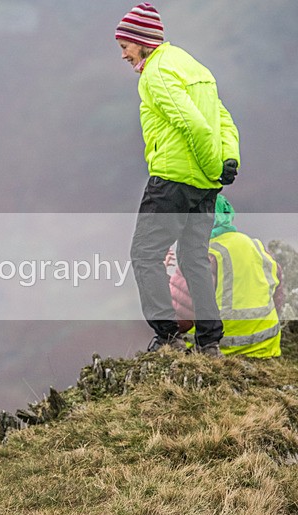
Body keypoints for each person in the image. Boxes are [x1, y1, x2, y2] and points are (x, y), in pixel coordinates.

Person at [116, 3, 240, 357]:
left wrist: (210, 166)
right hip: (204, 186)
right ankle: (209, 341)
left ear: (141, 41)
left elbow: (195, 125)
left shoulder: (156, 74)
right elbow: (223, 120)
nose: (123, 55)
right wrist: (227, 161)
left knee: (143, 254)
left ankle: (168, 337)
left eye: (125, 46)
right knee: (193, 258)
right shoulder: (195, 67)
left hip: (172, 181)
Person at [168, 195, 283, 358]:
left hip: (221, 352)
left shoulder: (200, 256)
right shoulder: (256, 246)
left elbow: (178, 322)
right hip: (265, 348)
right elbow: (277, 299)